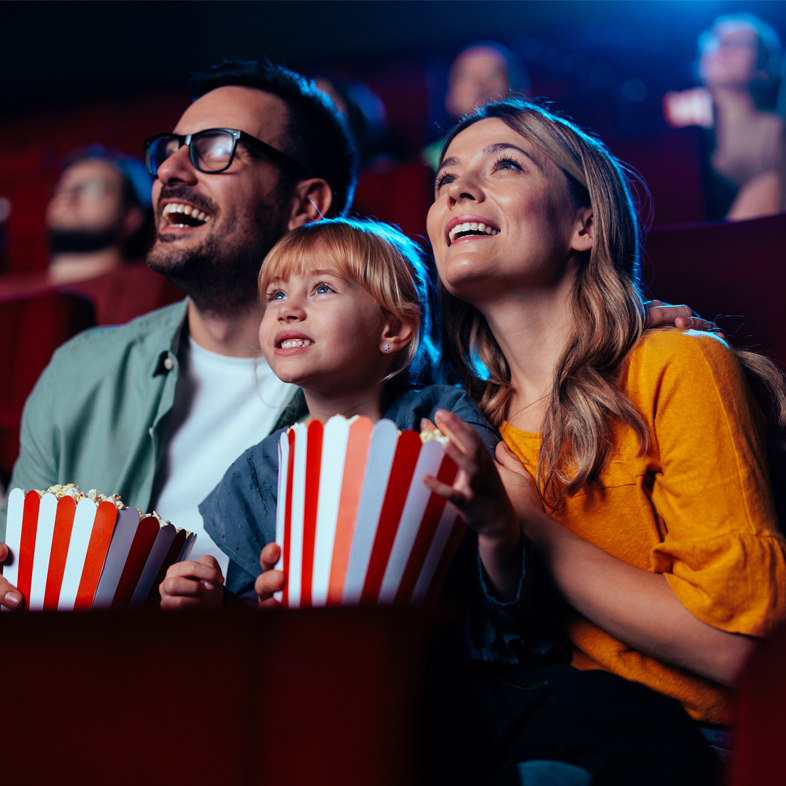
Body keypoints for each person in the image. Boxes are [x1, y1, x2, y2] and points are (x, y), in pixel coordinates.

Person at [182, 217, 716, 785]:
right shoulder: (256, 477)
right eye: (275, 295)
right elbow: (251, 643)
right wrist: (219, 608)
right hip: (343, 690)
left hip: (480, 675)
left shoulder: (445, 418)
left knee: (636, 723)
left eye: (321, 289)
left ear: (394, 329)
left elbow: (519, 602)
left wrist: (493, 525)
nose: (288, 309)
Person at [427, 97, 786, 763]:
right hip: (553, 733)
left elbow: (745, 650)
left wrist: (538, 529)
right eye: (445, 179)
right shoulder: (462, 420)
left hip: (706, 744)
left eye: (505, 164)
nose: (460, 190)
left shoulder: (676, 362)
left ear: (584, 224)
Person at [0, 58, 358, 607]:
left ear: (304, 205)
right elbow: (16, 569)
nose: (169, 170)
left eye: (214, 148)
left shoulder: (377, 395)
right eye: (169, 149)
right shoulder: (79, 373)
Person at [663, 13, 785, 220]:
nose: (724, 48)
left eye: (741, 43)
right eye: (716, 39)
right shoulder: (683, 122)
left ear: (762, 68)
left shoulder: (776, 129)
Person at [45, 147, 153, 285]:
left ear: (131, 218)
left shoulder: (152, 291)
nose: (68, 196)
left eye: (92, 189)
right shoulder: (14, 293)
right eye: (62, 188)